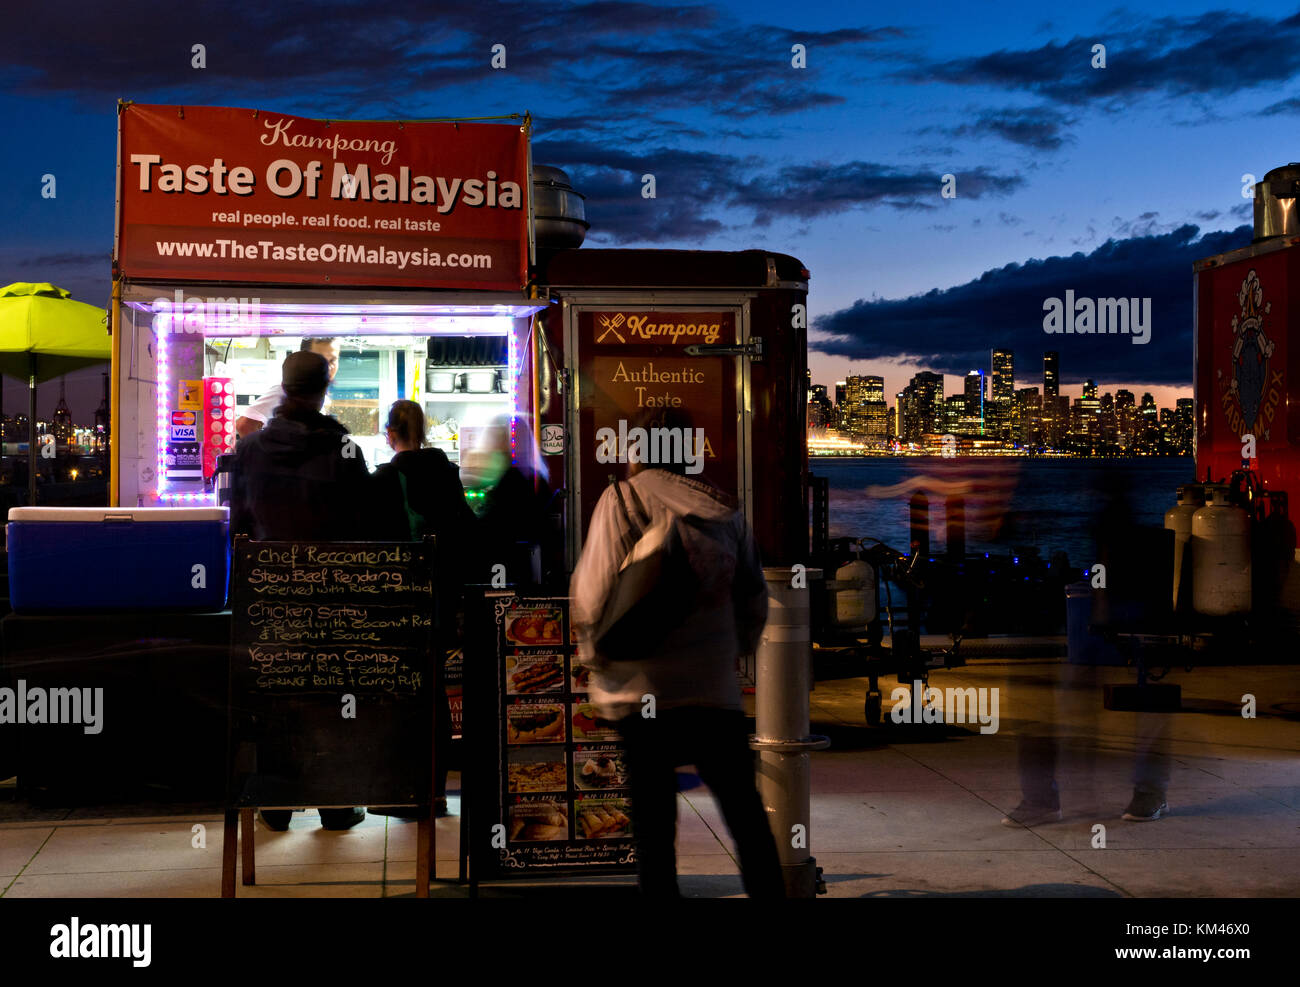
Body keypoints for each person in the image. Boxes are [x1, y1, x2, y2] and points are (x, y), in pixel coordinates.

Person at [570, 407, 784, 898]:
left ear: (640, 448)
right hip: (714, 694)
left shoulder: (623, 498)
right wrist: (728, 655)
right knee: (746, 818)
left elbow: (593, 592)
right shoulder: (727, 512)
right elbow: (753, 602)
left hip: (640, 692)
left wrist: (595, 657)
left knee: (653, 827)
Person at [229, 349, 372, 831]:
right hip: (329, 598)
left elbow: (239, 530)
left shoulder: (248, 452)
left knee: (276, 699)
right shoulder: (344, 451)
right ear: (322, 391)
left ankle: (277, 805)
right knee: (329, 702)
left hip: (270, 598)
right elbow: (364, 532)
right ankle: (334, 807)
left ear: (284, 390)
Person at [370, 399, 478, 817]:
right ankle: (433, 790)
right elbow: (468, 530)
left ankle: (404, 791)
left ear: (388, 434)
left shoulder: (384, 479)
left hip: (400, 604)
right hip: (443, 599)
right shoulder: (447, 473)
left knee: (401, 694)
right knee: (434, 691)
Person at [462, 414, 556, 586]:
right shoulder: (535, 477)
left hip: (504, 563)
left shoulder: (509, 479)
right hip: (528, 564)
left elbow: (493, 525)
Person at [234, 337, 341, 439]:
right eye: (320, 360)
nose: (327, 368)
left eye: (332, 360)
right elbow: (244, 426)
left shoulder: (323, 396)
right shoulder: (285, 391)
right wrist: (266, 455)